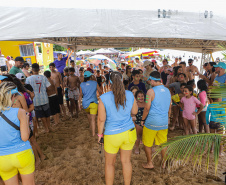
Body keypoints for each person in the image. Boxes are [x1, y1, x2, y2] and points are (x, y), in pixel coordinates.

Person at [97, 71, 138, 185]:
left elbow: (101, 120)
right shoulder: (129, 94)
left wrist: (100, 135)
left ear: (109, 83)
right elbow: (134, 111)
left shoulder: (103, 98)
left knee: (110, 164)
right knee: (126, 162)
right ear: (122, 81)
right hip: (129, 132)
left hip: (112, 134)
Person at [0, 82, 35, 185]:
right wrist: (26, 119)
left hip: (3, 158)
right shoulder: (19, 112)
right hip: (22, 154)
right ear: (13, 96)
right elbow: (25, 137)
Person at [140, 71, 171, 169]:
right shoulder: (167, 91)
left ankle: (150, 163)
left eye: (150, 81)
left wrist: (142, 119)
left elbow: (147, 108)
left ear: (152, 80)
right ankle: (164, 163)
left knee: (147, 143)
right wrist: (168, 118)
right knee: (163, 143)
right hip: (164, 122)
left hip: (152, 122)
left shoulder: (150, 91)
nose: (150, 83)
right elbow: (169, 108)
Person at [26, 63, 51, 133]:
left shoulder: (28, 79)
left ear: (32, 70)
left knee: (41, 115)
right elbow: (48, 87)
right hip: (44, 98)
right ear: (39, 70)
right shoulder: (43, 77)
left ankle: (46, 128)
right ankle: (48, 126)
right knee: (47, 114)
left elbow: (27, 90)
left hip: (35, 100)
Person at [79, 71, 102, 136]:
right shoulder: (95, 83)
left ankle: (91, 127)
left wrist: (79, 104)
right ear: (91, 76)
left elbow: (80, 95)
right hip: (94, 103)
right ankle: (93, 133)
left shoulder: (81, 84)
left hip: (85, 104)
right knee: (93, 119)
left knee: (88, 115)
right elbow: (100, 91)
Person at [134, 90, 145, 154]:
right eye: (139, 96)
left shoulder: (146, 103)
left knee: (146, 136)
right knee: (138, 136)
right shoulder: (135, 104)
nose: (141, 97)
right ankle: (137, 147)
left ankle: (148, 147)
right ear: (136, 97)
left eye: (142, 96)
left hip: (146, 122)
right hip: (138, 121)